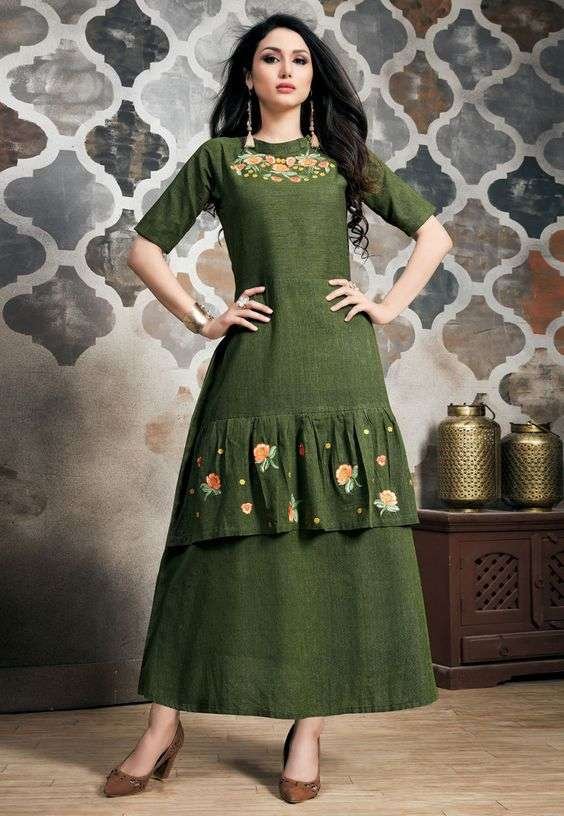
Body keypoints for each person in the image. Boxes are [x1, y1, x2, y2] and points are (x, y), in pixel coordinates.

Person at [103, 12, 453, 804]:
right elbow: (144, 248)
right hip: (255, 365)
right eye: (271, 58)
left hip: (339, 371)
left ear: (313, 76)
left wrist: (386, 305)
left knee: (331, 545)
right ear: (249, 75)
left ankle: (308, 729)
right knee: (209, 543)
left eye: (300, 58)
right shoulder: (222, 159)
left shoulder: (341, 157)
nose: (288, 70)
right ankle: (162, 725)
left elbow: (432, 235)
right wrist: (203, 317)